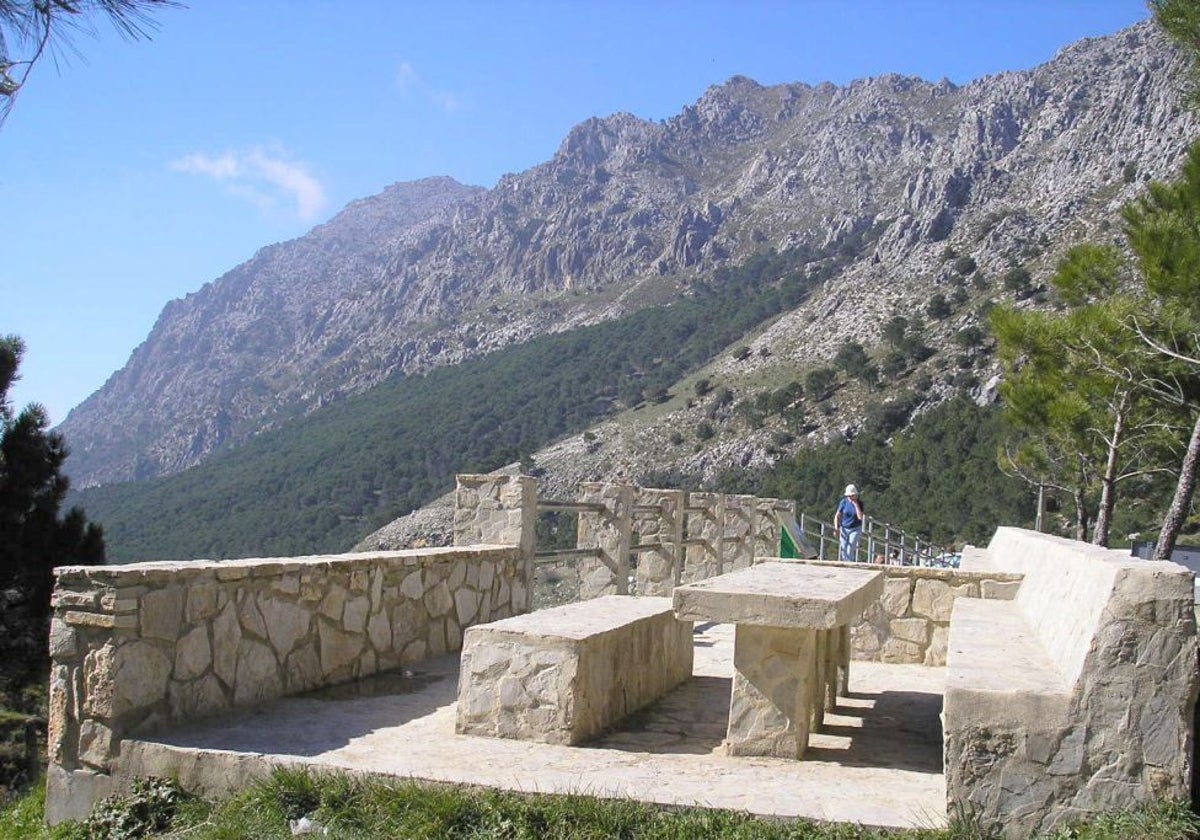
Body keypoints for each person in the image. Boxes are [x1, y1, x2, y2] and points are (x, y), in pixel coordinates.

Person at [834, 484, 865, 562]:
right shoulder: (844, 502)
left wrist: (856, 505)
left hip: (855, 528)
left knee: (850, 548)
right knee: (843, 548)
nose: (850, 497)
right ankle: (845, 562)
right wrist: (836, 528)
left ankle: (849, 563)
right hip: (844, 528)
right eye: (848, 496)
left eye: (851, 496)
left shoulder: (860, 503)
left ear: (855, 495)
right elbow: (837, 515)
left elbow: (860, 517)